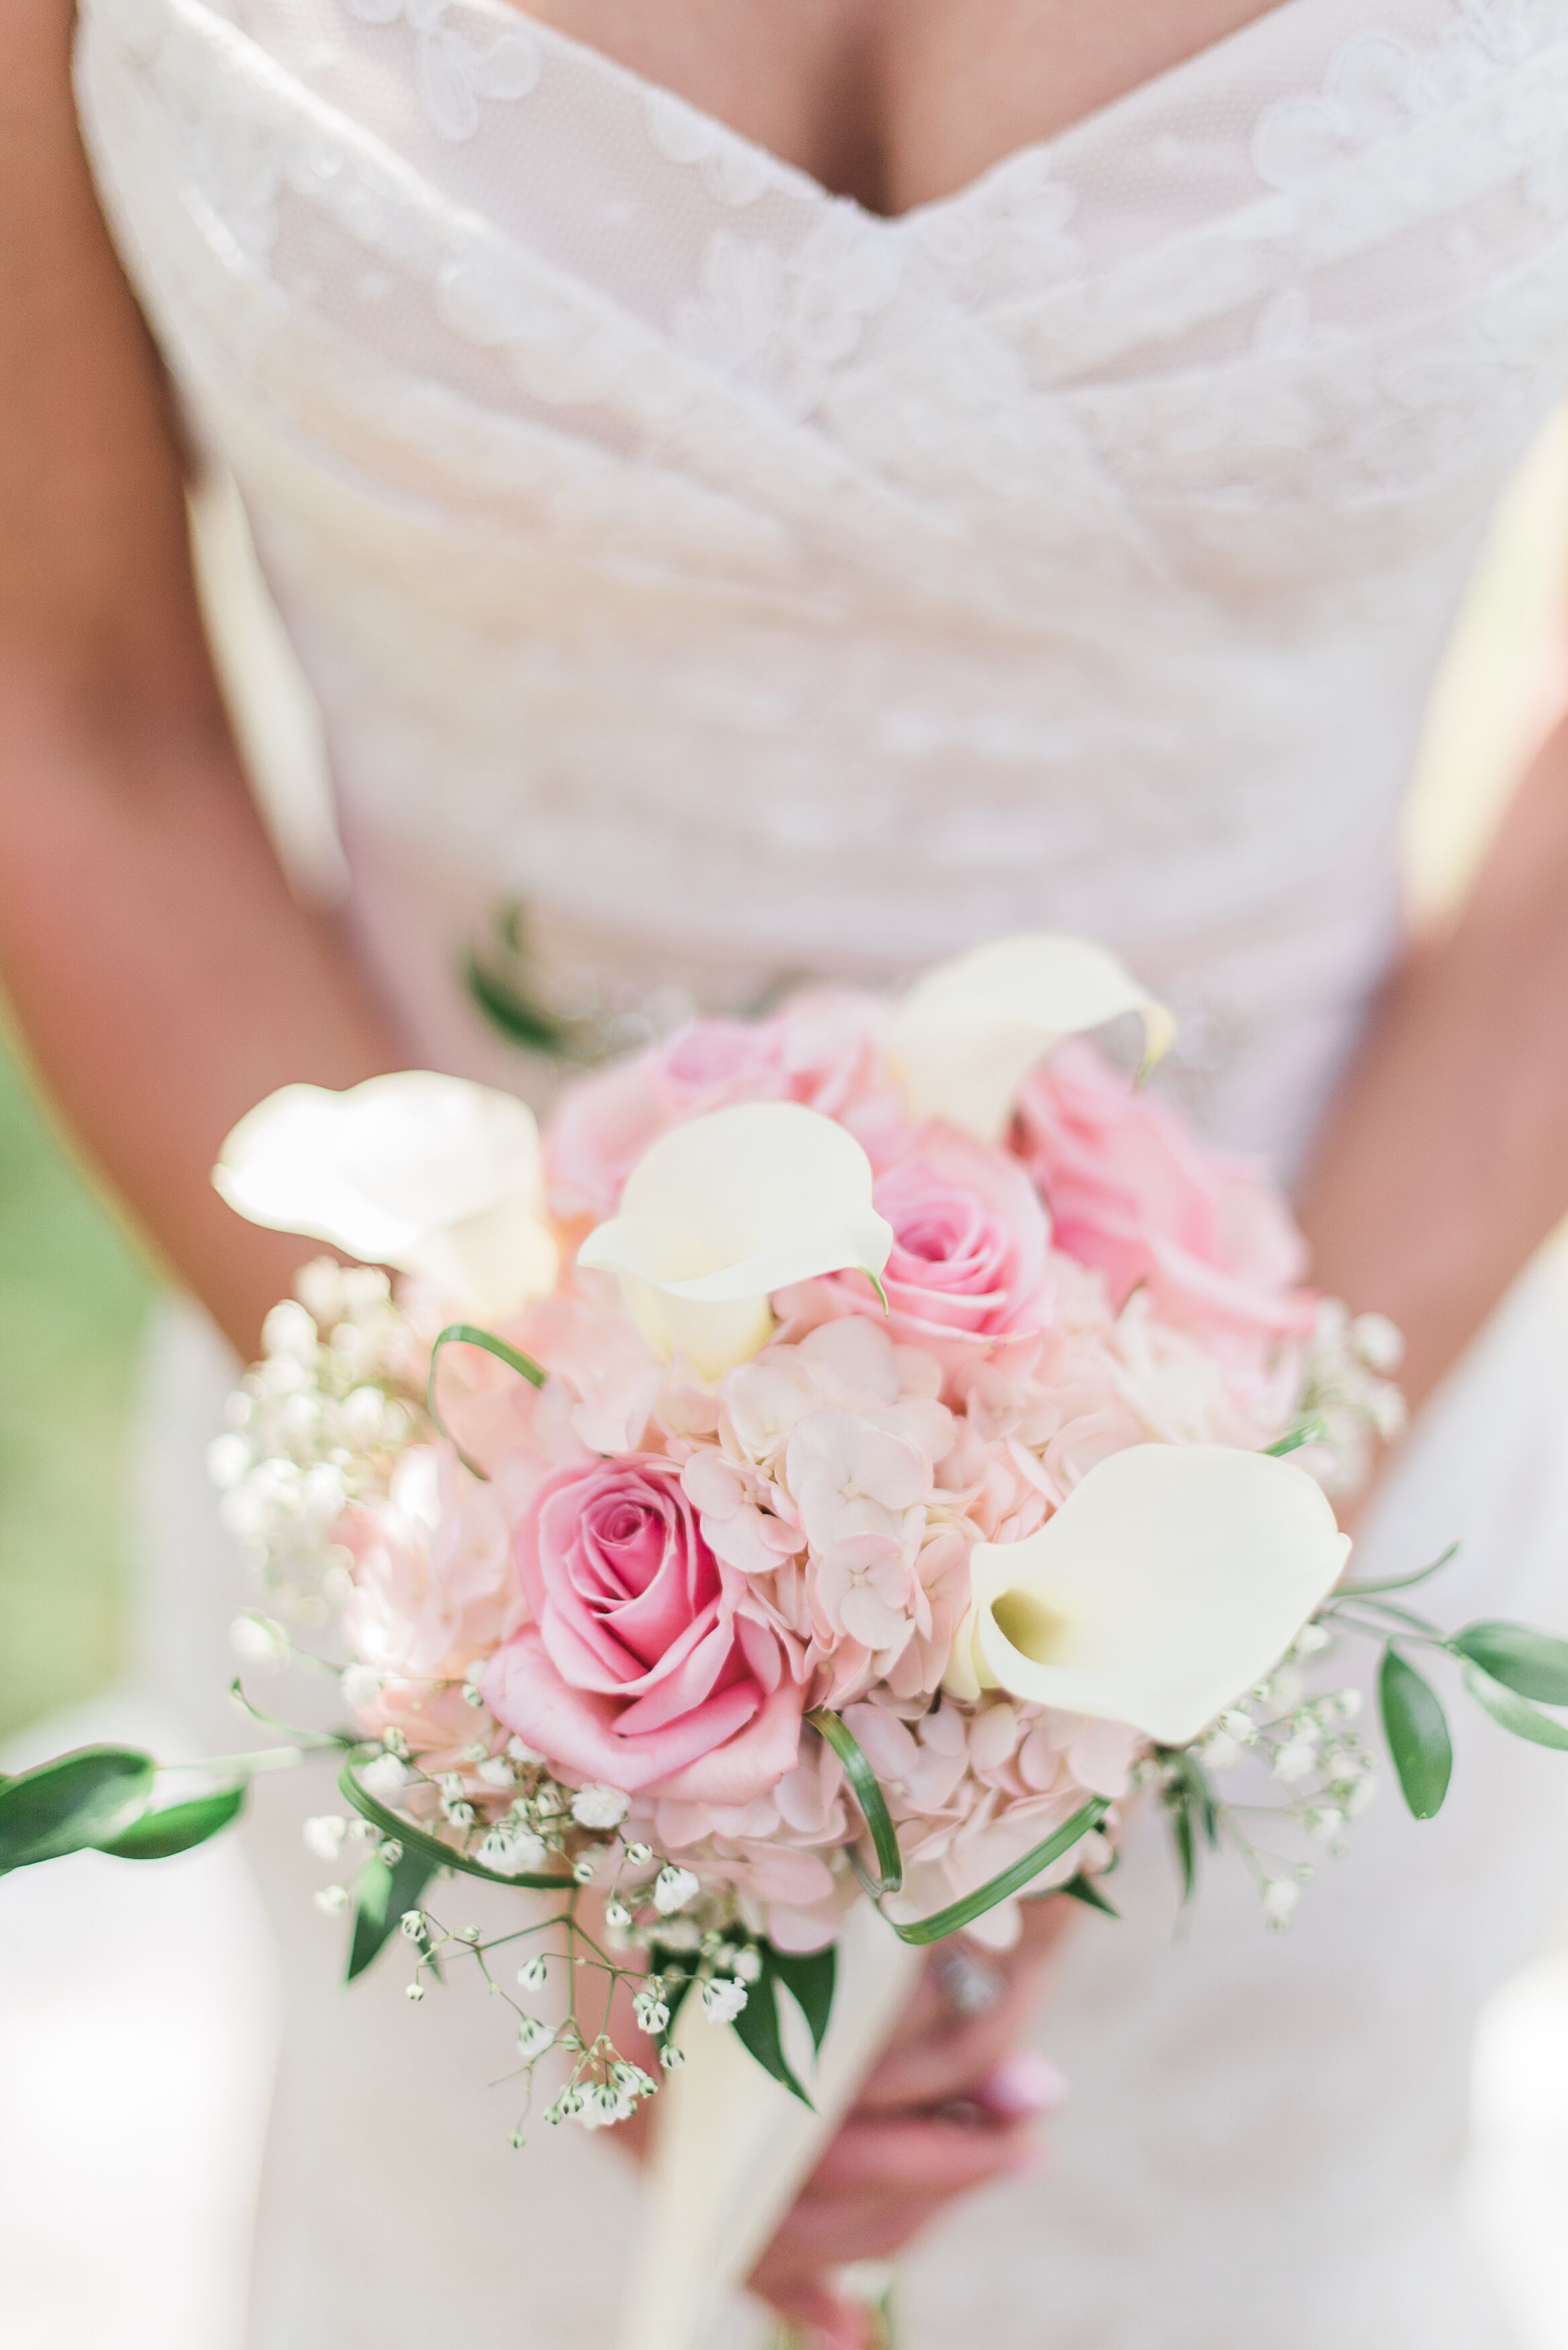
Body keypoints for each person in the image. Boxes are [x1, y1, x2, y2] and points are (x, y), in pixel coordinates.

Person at [3, 1, 1568, 2343]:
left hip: (1354, 1461)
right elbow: (70, 701)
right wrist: (558, 1675)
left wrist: (1163, 1620)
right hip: (461, 1639)